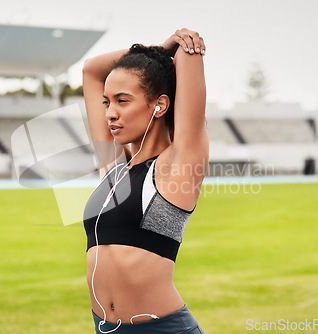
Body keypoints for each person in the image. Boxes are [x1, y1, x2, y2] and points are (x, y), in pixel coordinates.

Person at [82, 28, 208, 334]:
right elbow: (91, 70)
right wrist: (157, 51)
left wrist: (173, 51)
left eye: (123, 101)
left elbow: (189, 55)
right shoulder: (114, 166)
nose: (111, 114)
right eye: (107, 102)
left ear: (160, 105)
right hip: (105, 328)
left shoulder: (179, 164)